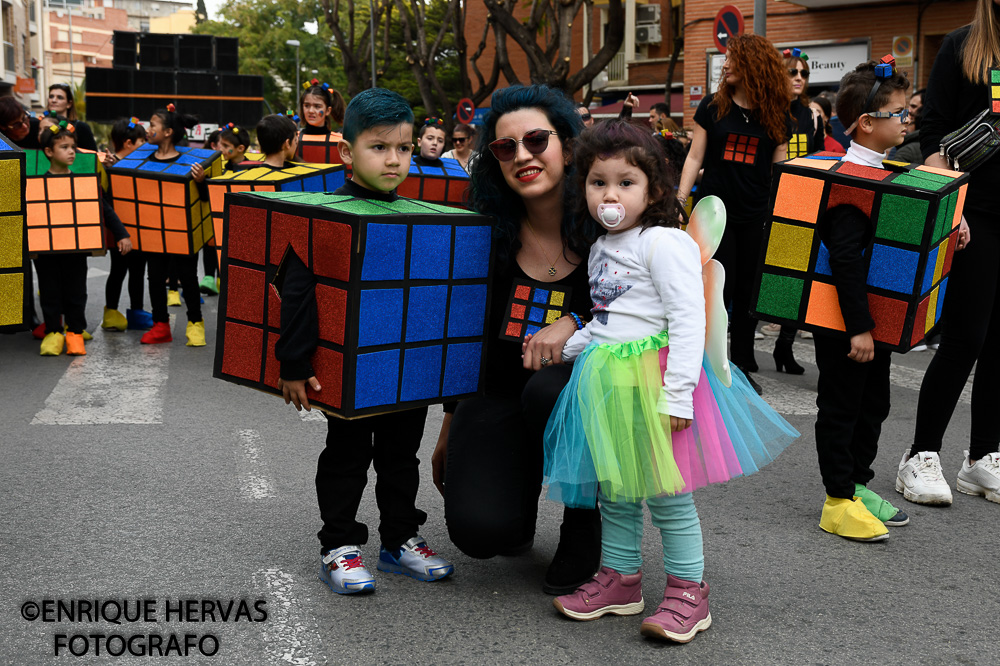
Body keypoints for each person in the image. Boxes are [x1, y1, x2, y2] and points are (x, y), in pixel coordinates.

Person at [545, 120, 796, 642]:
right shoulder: (602, 246)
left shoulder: (662, 243)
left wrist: (678, 392)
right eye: (597, 183)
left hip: (656, 382)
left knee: (666, 492)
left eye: (625, 182)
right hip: (608, 383)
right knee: (615, 489)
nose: (610, 194)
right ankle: (621, 579)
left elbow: (689, 319)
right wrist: (568, 347)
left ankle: (689, 591)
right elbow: (609, 317)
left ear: (654, 188)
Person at [276, 87, 454, 595]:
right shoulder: (325, 215)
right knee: (346, 454)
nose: (394, 159)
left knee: (403, 455)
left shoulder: (424, 217)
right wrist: (293, 363)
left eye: (402, 147)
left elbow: (436, 296)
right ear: (346, 153)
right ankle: (339, 544)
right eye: (379, 147)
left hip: (405, 366)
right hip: (349, 366)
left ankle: (401, 539)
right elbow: (297, 287)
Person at [433, 84, 602, 595]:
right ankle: (518, 491)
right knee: (481, 532)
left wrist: (574, 321)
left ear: (568, 147)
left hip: (586, 399)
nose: (522, 156)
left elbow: (645, 313)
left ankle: (583, 514)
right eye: (506, 147)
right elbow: (463, 341)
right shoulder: (486, 235)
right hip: (500, 393)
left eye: (536, 140)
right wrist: (450, 428)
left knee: (549, 390)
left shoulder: (609, 225)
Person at [898, 0, 1000, 507]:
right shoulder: (963, 44)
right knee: (965, 338)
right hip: (974, 212)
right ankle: (920, 454)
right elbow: (934, 130)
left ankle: (982, 458)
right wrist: (951, 207)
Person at [812, 59, 912, 541]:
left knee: (874, 403)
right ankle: (836, 500)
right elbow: (845, 261)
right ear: (868, 123)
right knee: (842, 405)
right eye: (899, 114)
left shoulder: (885, 172)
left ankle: (857, 483)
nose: (906, 121)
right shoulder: (850, 180)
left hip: (873, 319)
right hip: (848, 323)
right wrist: (859, 326)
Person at [677, 33, 790, 395]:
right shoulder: (712, 108)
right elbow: (694, 157)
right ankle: (700, 366)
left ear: (752, 66)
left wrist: (784, 217)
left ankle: (739, 368)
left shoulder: (776, 117)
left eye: (731, 59)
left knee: (745, 298)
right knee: (710, 293)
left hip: (754, 218)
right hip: (713, 216)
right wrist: (679, 200)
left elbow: (781, 172)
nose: (724, 64)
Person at [761, 49, 825, 374]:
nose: (798, 78)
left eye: (803, 73)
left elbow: (821, 158)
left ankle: (784, 346)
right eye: (792, 72)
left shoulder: (814, 116)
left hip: (805, 204)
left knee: (798, 279)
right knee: (768, 277)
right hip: (772, 203)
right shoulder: (769, 113)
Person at [137, 104, 209, 347]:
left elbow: (207, 198)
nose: (148, 129)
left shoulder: (190, 163)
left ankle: (195, 324)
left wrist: (201, 182)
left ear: (167, 132)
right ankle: (160, 325)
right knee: (155, 277)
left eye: (153, 125)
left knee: (188, 278)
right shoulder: (142, 160)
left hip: (183, 231)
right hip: (154, 231)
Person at [35, 122, 89, 356]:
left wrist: (121, 234)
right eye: (64, 147)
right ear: (49, 152)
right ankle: (53, 332)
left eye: (73, 147)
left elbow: (102, 209)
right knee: (50, 292)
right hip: (46, 251)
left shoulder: (82, 182)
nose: (71, 152)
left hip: (76, 250)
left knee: (76, 291)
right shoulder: (35, 185)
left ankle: (75, 333)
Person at [101, 117, 148, 332]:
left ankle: (136, 312)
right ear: (128, 143)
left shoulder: (136, 164)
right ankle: (111, 312)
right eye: (141, 141)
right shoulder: (108, 167)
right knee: (119, 270)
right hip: (119, 230)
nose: (145, 146)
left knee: (137, 270)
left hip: (138, 228)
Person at [296, 79, 346, 163]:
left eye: (317, 106)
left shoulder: (340, 141)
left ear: (328, 111)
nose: (311, 111)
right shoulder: (292, 139)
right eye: (307, 105)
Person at [47, 83, 96, 151]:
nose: (54, 100)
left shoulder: (81, 127)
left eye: (60, 97)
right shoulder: (40, 124)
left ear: (69, 104)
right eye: (51, 96)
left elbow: (92, 156)